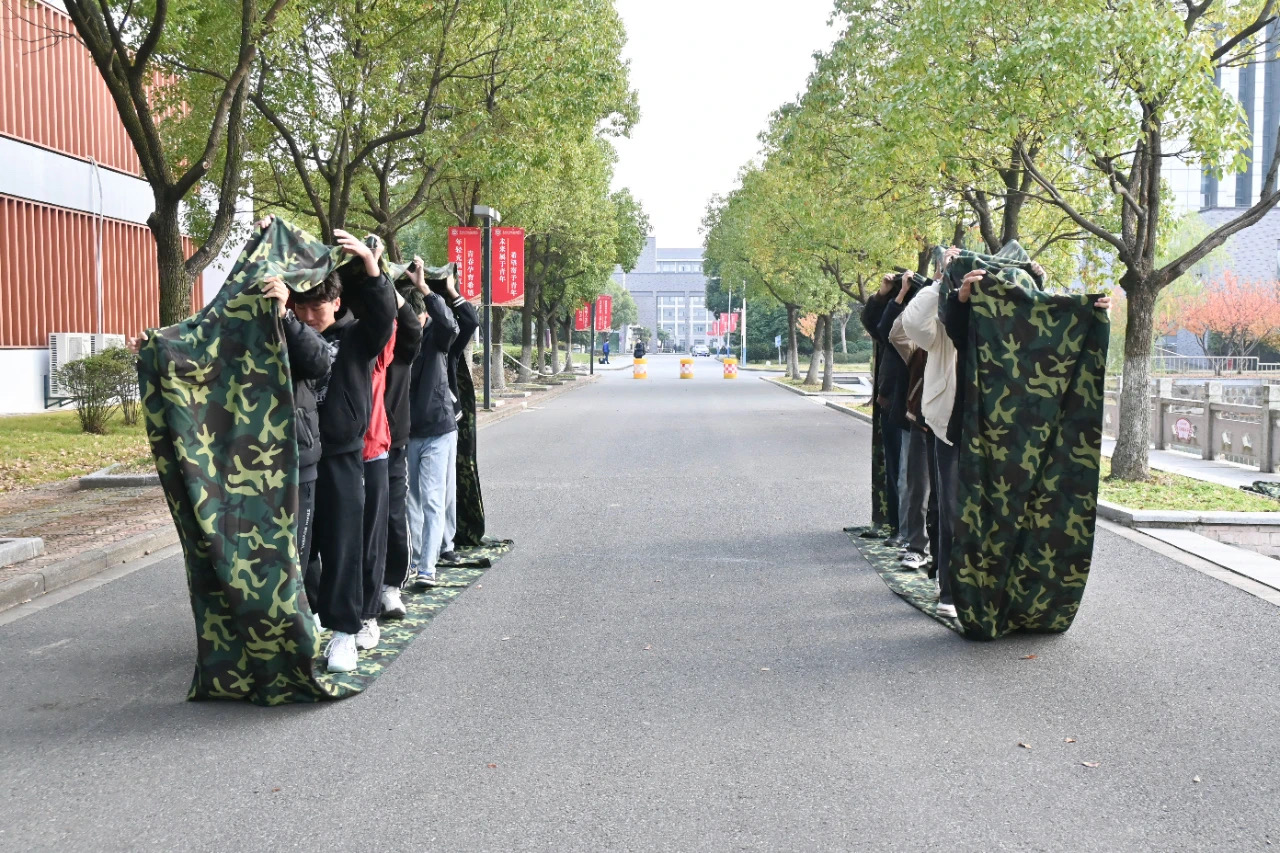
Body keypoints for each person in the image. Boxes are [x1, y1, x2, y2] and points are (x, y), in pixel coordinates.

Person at [292, 230, 396, 673]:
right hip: (294, 459)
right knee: (299, 551)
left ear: (337, 302)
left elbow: (386, 318)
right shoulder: (287, 332)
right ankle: (310, 616)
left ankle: (344, 634)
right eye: (302, 306)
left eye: (319, 305)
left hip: (343, 456)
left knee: (343, 547)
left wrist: (372, 269)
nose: (310, 315)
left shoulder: (357, 337)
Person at [406, 265, 461, 587]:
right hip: (407, 432)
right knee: (410, 500)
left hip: (438, 429)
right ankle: (412, 563)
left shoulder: (436, 340)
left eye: (418, 319)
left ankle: (427, 567)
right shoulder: (397, 341)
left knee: (432, 499)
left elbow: (451, 324)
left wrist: (426, 290)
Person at [377, 261, 425, 621]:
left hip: (393, 442)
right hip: (352, 444)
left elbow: (410, 325)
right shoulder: (354, 332)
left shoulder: (402, 344)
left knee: (394, 516)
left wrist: (380, 275)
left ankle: (390, 586)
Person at [883, 271, 933, 572]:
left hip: (957, 427)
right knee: (918, 489)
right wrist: (930, 290)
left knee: (946, 499)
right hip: (922, 423)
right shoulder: (919, 344)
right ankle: (917, 546)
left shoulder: (962, 340)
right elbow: (895, 333)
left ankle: (939, 551)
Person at [438, 267, 479, 565]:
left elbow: (470, 320)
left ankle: (445, 542)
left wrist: (451, 291)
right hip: (407, 422)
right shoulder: (411, 337)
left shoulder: (446, 343)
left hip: (445, 420)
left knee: (446, 487)